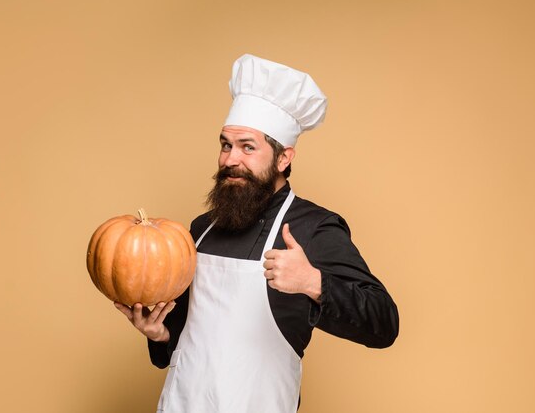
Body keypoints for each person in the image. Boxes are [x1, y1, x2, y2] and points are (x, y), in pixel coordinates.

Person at [114, 54, 399, 413]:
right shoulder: (202, 229)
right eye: (226, 145)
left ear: (283, 158)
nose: (231, 159)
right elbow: (191, 341)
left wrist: (313, 281)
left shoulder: (313, 228)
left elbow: (384, 324)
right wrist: (160, 335)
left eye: (248, 147)